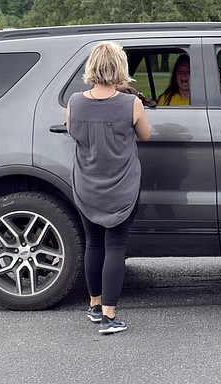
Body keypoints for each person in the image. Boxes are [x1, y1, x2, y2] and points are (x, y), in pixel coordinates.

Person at [66, 41, 152, 334]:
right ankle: (109, 316)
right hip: (122, 187)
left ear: (92, 67)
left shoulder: (75, 102)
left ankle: (94, 305)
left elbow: (72, 132)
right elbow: (146, 134)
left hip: (87, 186)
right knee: (115, 245)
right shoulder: (131, 104)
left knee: (93, 243)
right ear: (121, 68)